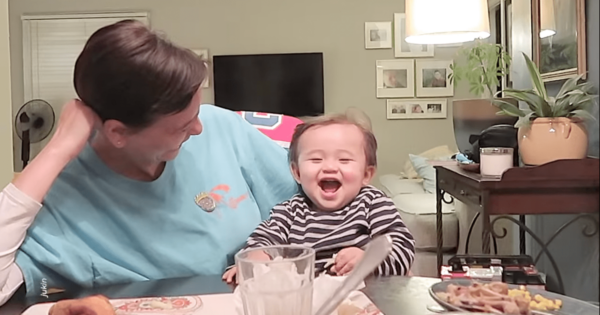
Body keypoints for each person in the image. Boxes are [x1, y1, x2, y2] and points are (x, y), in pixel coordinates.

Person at [0, 20, 298, 305]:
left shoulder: (221, 127)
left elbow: (319, 207)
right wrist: (57, 149)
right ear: (118, 132)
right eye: (182, 126)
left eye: (196, 113)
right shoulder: (64, 196)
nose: (198, 129)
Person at [223, 114, 416, 283]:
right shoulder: (290, 211)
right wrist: (255, 258)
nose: (329, 167)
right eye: (316, 159)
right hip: (307, 299)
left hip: (364, 296)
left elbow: (400, 245)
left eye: (344, 160)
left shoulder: (373, 203)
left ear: (366, 174)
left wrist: (368, 260)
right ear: (297, 173)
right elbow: (263, 238)